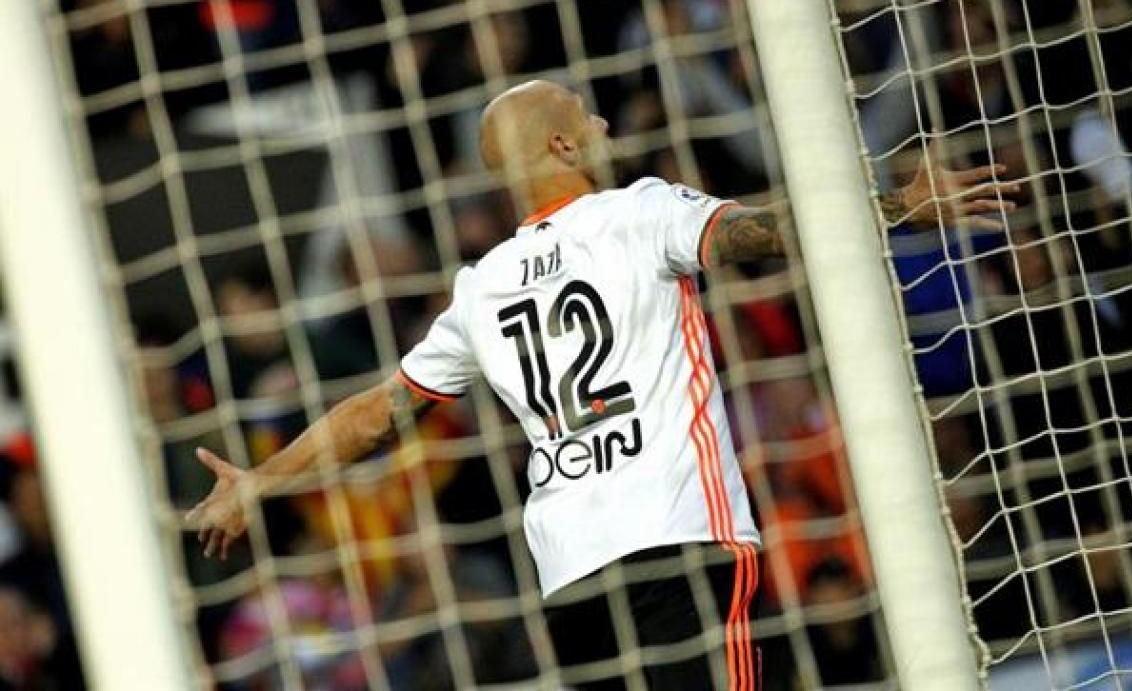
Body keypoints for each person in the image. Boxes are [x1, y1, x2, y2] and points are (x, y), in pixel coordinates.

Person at [185, 79, 1017, 689]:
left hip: (573, 571)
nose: (603, 120)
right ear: (562, 146)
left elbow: (378, 414)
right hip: (680, 541)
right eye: (587, 113)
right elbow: (759, 233)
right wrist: (897, 206)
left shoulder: (482, 286)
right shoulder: (639, 212)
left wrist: (263, 479)